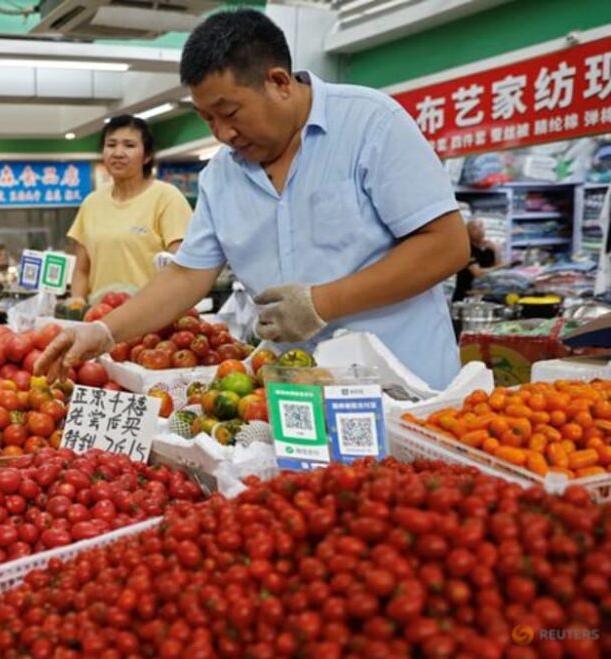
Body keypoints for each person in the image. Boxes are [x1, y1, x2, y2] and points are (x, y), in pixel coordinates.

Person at [37, 9, 469, 390]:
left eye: (230, 113)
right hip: (295, 395)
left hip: (403, 388)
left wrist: (323, 303)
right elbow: (187, 276)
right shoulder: (221, 176)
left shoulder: (371, 125)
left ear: (279, 81)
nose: (222, 134)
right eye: (208, 119)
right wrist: (106, 332)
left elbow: (446, 245)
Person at [67, 115, 193, 306]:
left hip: (151, 318)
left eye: (129, 145)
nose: (118, 153)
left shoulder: (167, 197)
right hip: (100, 318)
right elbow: (82, 270)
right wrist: (77, 302)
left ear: (147, 155)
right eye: (111, 144)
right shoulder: (91, 203)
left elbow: (181, 268)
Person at [453, 220, 507, 302]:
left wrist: (496, 250)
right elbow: (477, 273)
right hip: (466, 295)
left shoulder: (489, 248)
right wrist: (500, 267)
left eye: (481, 226)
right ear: (467, 232)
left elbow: (497, 267)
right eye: (474, 228)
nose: (479, 230)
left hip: (485, 293)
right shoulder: (467, 249)